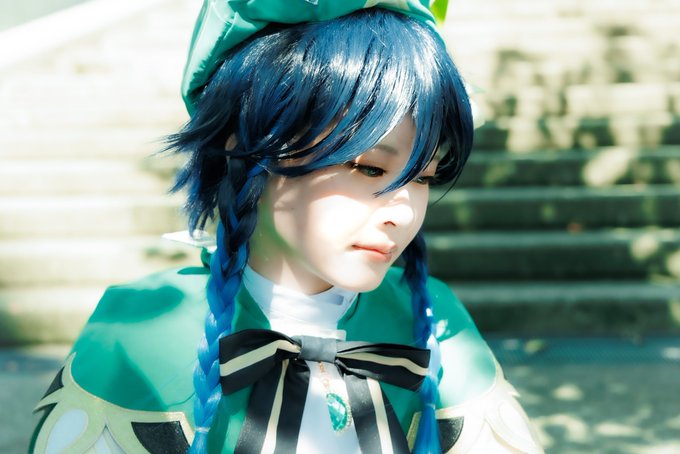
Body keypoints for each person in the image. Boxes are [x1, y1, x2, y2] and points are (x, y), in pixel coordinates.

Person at [31, 1, 542, 453]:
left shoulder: (434, 320)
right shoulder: (142, 335)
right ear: (246, 141)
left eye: (424, 178)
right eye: (369, 168)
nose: (404, 212)